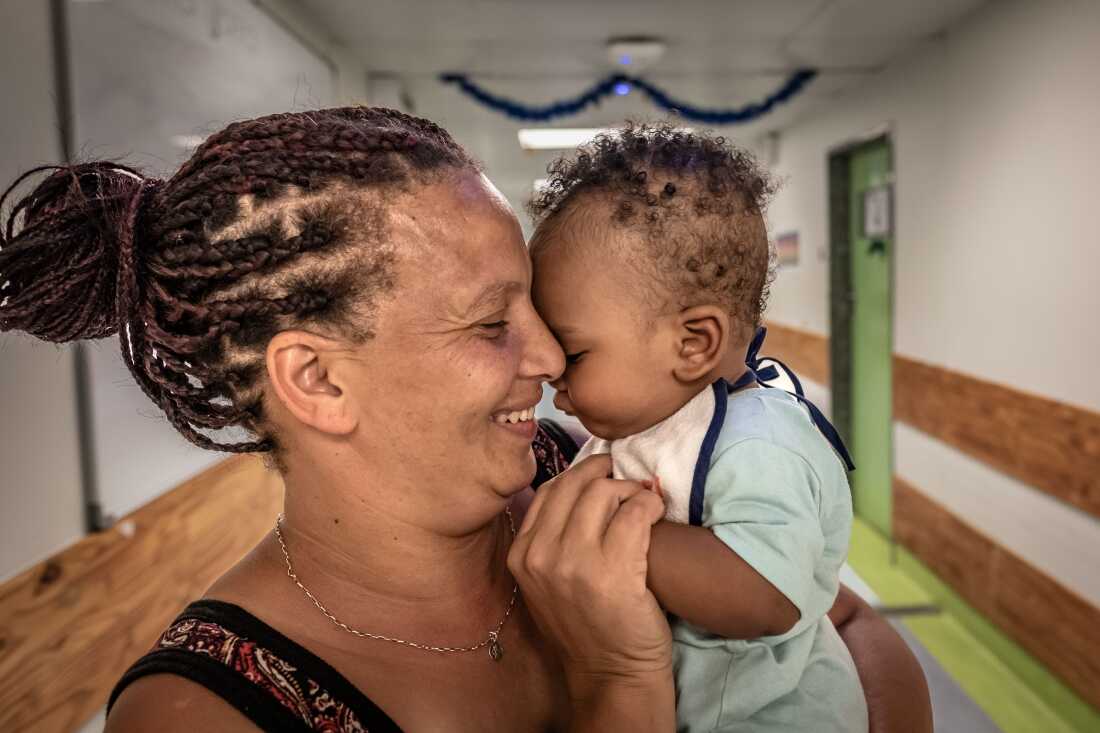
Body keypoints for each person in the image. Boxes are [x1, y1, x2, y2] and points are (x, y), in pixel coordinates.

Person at [0, 107, 930, 732]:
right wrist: (619, 682)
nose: (551, 358)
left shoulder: (575, 463)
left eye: (540, 310)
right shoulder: (205, 711)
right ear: (316, 378)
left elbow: (843, 621)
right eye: (492, 323)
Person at [528, 122, 865, 731]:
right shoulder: (644, 422)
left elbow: (763, 595)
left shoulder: (762, 440)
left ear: (694, 343)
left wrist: (617, 538)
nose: (552, 369)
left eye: (573, 353)